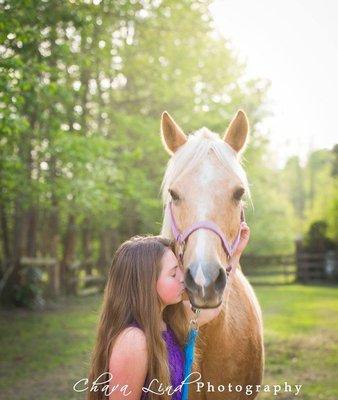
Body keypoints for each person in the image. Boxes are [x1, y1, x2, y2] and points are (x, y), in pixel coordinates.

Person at [87, 223, 250, 400]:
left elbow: (214, 306)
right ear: (146, 284)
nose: (183, 278)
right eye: (173, 274)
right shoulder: (133, 341)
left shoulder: (168, 321)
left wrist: (235, 253)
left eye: (180, 268)